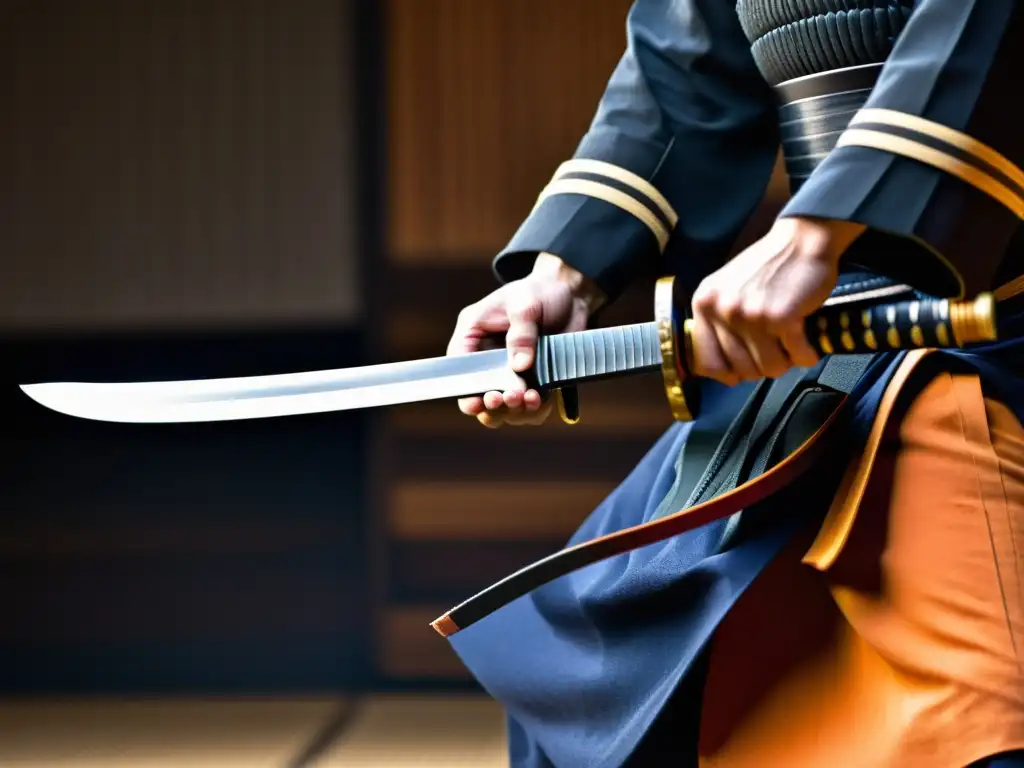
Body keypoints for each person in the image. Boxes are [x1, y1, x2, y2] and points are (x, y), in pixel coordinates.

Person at [444, 1, 1024, 766]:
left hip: (988, 312)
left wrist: (821, 226)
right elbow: (688, 65)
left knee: (975, 719)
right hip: (823, 330)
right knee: (592, 671)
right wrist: (566, 272)